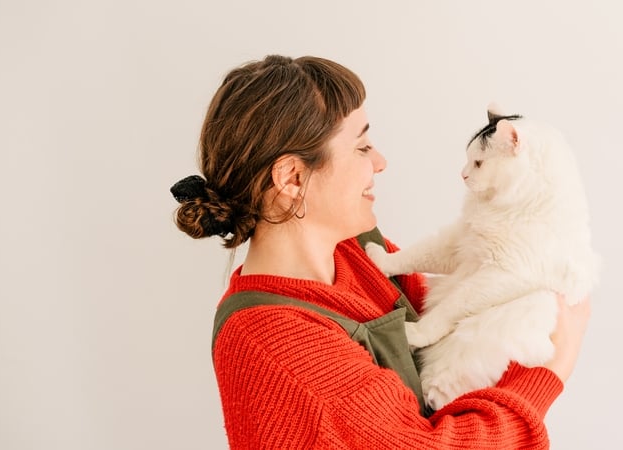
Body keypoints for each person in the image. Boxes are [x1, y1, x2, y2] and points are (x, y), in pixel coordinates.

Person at [171, 54, 591, 449]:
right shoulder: (273, 342)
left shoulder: (359, 255)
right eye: (361, 147)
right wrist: (551, 371)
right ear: (293, 179)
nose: (381, 162)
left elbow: (471, 318)